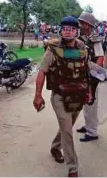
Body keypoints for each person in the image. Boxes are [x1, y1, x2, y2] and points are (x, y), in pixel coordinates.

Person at [33, 16, 92, 177]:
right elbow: (42, 71)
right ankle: (73, 167)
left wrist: (89, 92)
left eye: (71, 29)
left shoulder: (82, 48)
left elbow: (86, 73)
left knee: (67, 127)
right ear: (61, 30)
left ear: (77, 32)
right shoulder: (53, 49)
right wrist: (38, 95)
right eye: (65, 28)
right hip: (59, 96)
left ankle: (55, 147)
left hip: (77, 95)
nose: (68, 31)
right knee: (67, 130)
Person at [76, 11, 104, 142]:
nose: (80, 24)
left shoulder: (95, 39)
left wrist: (94, 75)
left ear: (88, 25)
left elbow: (100, 58)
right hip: (82, 73)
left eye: (82, 23)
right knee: (85, 102)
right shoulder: (81, 37)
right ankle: (88, 126)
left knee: (91, 103)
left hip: (91, 74)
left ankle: (92, 132)